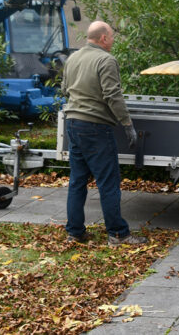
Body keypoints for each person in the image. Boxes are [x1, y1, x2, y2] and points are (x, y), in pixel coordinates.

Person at [61, 20, 144, 246]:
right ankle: (117, 234)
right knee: (108, 182)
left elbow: (65, 89)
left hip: (73, 123)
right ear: (104, 38)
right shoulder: (106, 60)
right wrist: (127, 124)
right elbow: (112, 95)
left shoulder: (72, 58)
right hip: (95, 127)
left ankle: (75, 232)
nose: (113, 41)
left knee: (77, 181)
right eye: (112, 37)